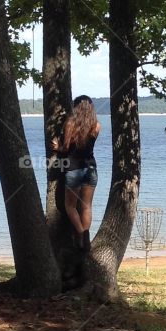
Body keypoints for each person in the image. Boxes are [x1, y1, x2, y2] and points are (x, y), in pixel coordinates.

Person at [53, 95, 100, 252]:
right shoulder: (96, 126)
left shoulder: (71, 123)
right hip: (91, 168)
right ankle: (86, 238)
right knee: (86, 207)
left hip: (73, 169)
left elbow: (66, 149)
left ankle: (81, 235)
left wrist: (56, 146)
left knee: (70, 206)